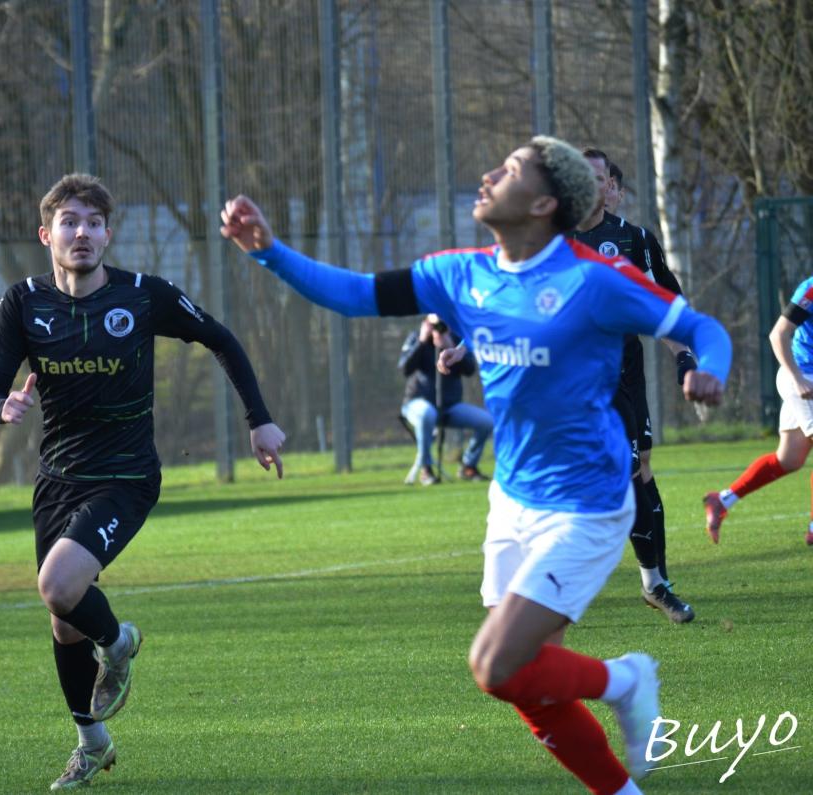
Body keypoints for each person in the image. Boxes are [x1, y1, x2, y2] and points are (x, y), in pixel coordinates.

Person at [221, 136, 730, 795]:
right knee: (522, 680)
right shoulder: (461, 273)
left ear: (545, 203)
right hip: (512, 500)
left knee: (494, 663)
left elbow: (702, 328)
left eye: (511, 170)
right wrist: (267, 250)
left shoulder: (592, 279)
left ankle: (625, 678)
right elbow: (353, 294)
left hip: (586, 504)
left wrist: (709, 368)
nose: (489, 174)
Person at [0, 174, 286, 791]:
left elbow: (220, 339)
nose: (82, 233)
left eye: (93, 222)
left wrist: (260, 420)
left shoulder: (144, 296)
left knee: (57, 584)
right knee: (63, 620)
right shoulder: (22, 303)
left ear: (107, 235)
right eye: (69, 221)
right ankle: (93, 745)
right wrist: (3, 406)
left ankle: (120, 642)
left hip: (125, 476)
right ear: (47, 235)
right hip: (57, 478)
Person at [568, 148, 699, 624]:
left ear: (609, 185)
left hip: (624, 371)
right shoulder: (549, 241)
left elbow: (667, 305)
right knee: (624, 466)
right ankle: (651, 582)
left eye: (600, 178)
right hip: (572, 379)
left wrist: (684, 358)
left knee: (640, 467)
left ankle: (654, 581)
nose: (594, 186)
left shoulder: (634, 240)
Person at [704, 275, 813, 546]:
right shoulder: (810, 289)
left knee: (789, 459)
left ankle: (722, 500)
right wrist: (797, 378)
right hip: (802, 376)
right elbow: (779, 334)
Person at [398, 313, 492, 485]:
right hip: (417, 403)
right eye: (435, 324)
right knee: (427, 414)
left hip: (449, 407)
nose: (438, 329)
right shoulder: (416, 337)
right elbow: (404, 369)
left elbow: (470, 370)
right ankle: (426, 469)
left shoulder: (456, 339)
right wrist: (421, 341)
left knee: (486, 421)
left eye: (442, 324)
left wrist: (451, 345)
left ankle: (468, 466)